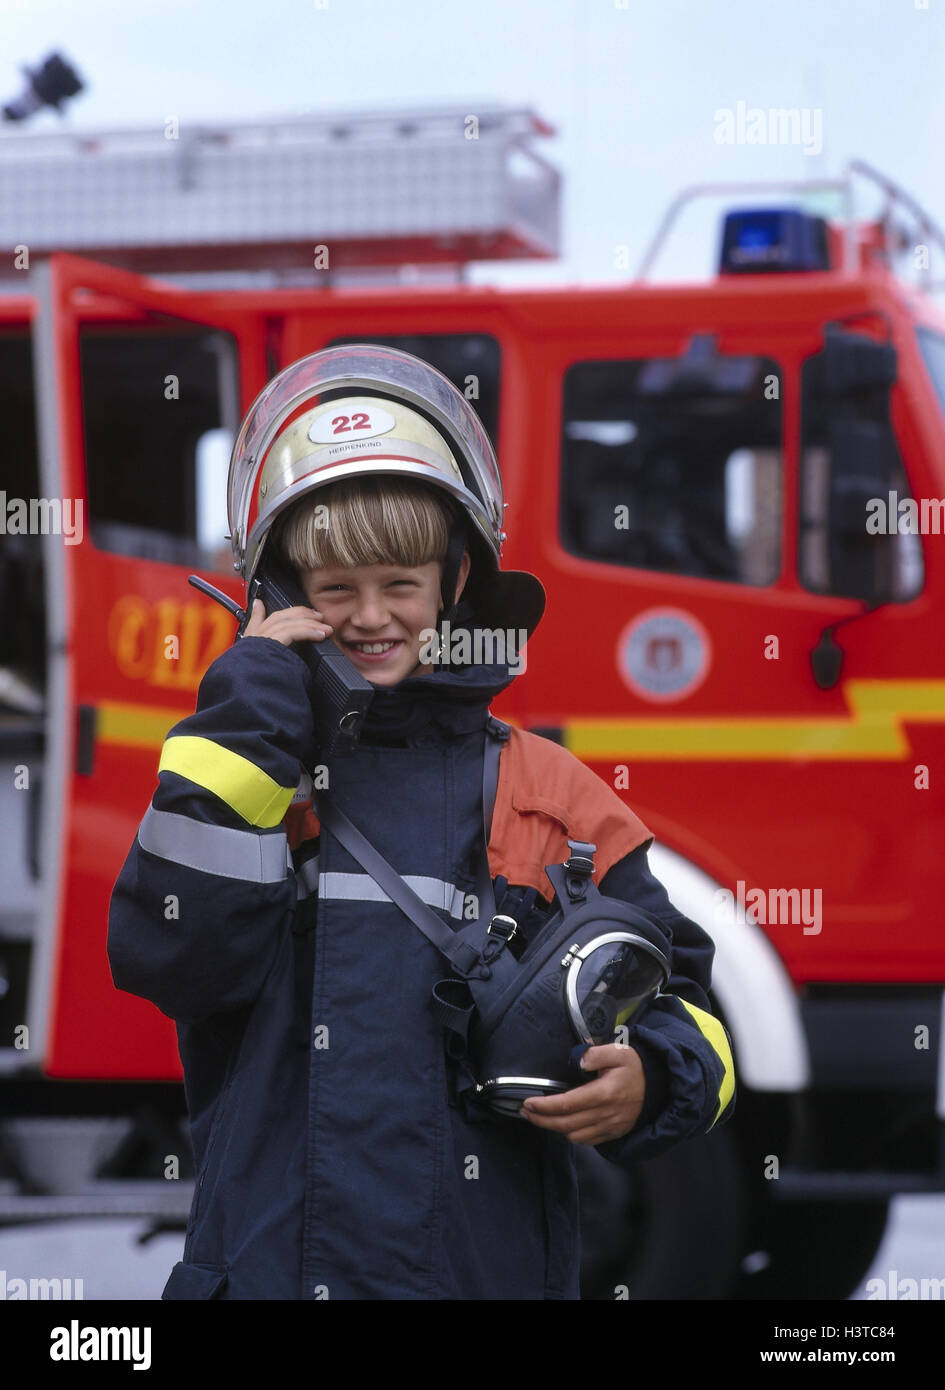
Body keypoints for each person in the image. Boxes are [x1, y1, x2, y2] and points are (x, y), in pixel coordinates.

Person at [107, 344, 734, 1301]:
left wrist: (653, 1075)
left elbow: (689, 1002)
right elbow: (170, 959)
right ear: (276, 591)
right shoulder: (239, 766)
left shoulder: (548, 792)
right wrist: (248, 717)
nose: (371, 616)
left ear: (453, 582)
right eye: (333, 589)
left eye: (400, 584)